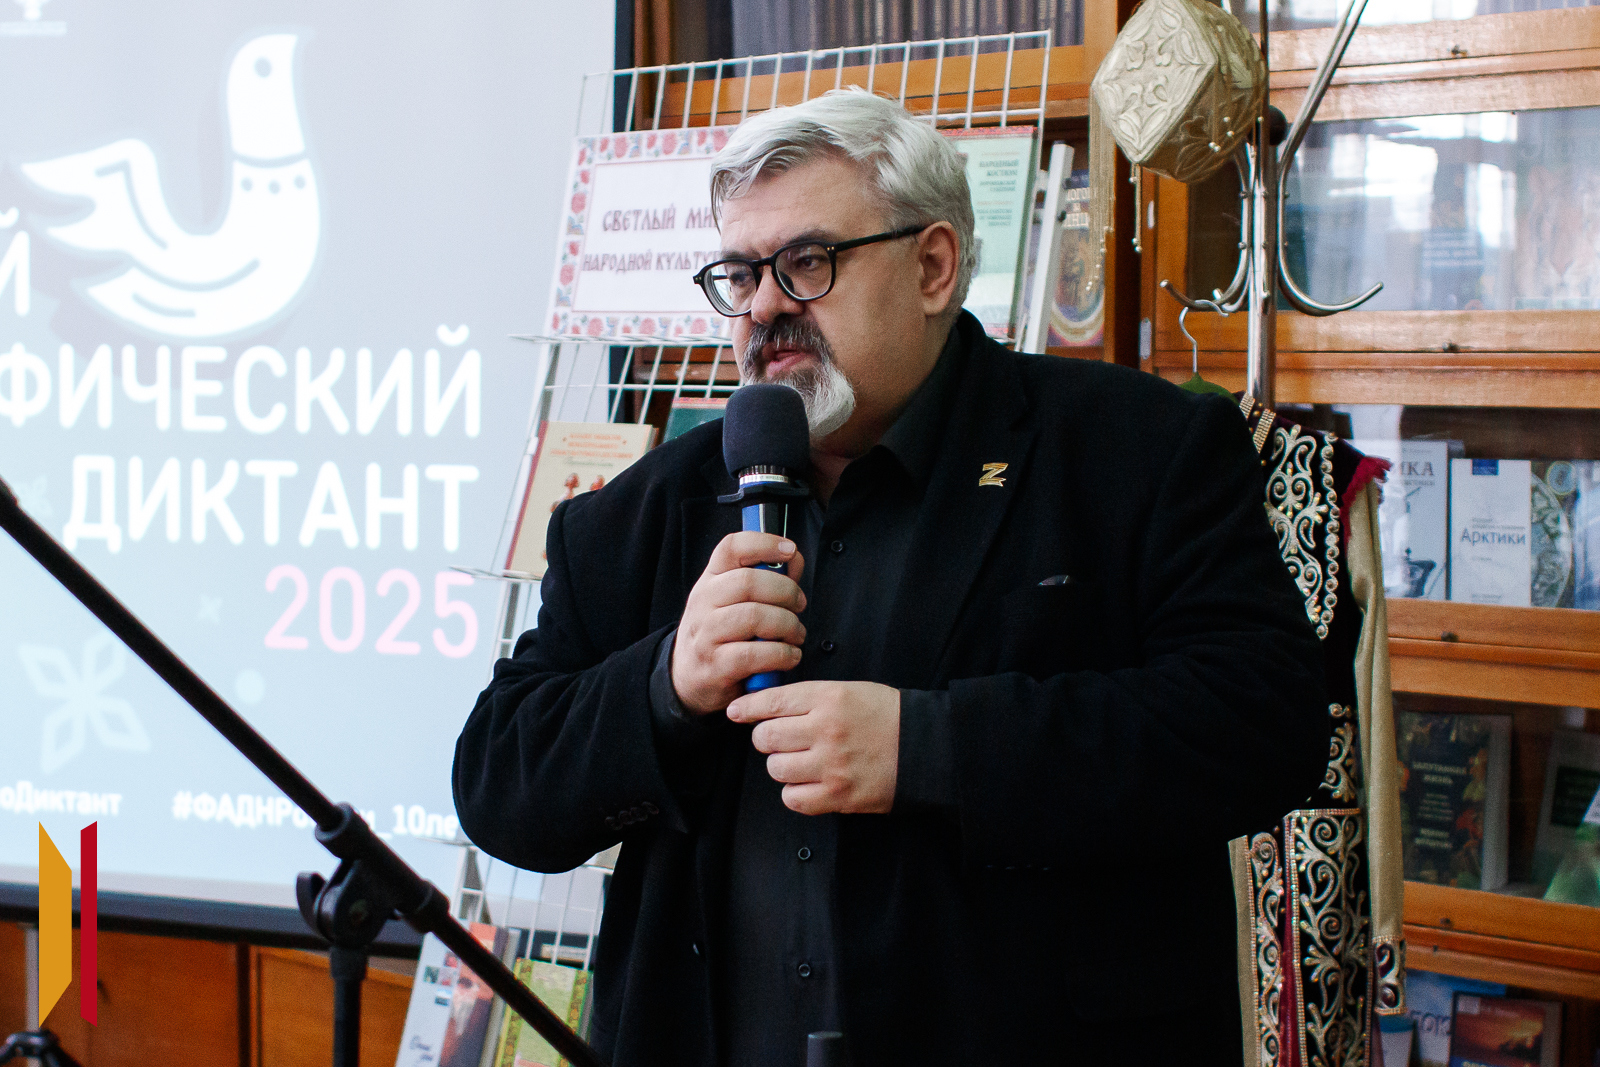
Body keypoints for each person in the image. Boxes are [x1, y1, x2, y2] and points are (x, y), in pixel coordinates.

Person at [453, 89, 1328, 1066]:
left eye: (807, 262)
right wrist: (665, 685)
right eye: (740, 275)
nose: (764, 307)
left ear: (932, 266)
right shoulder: (637, 514)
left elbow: (1263, 725)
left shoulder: (1137, 450)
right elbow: (499, 786)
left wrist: (931, 747)